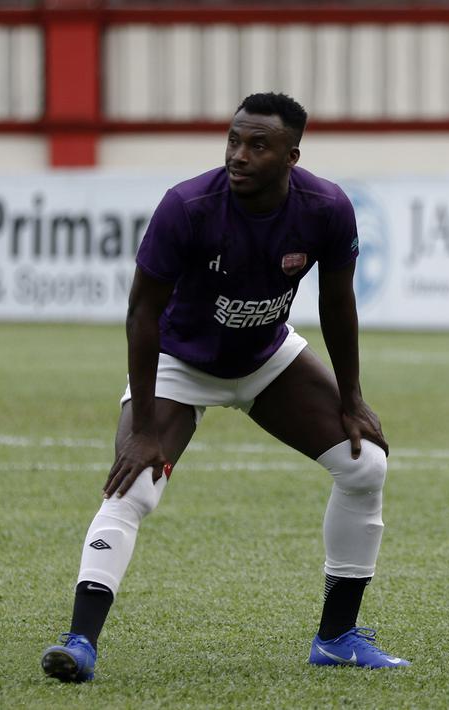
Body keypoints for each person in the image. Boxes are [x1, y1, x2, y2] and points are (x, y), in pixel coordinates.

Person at [40, 92, 409, 682]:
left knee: (366, 466)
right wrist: (140, 428)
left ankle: (337, 638)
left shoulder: (326, 207)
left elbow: (338, 304)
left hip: (266, 356)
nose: (239, 155)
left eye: (257, 145)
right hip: (178, 361)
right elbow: (141, 314)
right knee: (132, 484)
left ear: (292, 155)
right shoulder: (187, 206)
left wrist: (352, 397)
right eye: (234, 140)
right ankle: (80, 642)